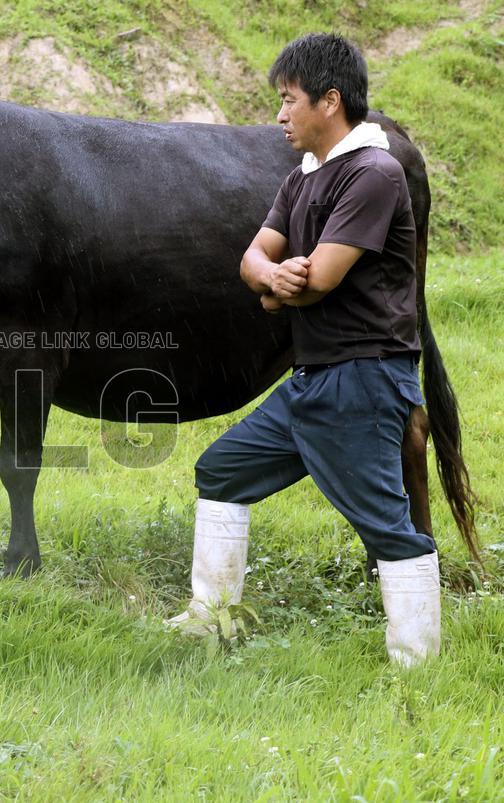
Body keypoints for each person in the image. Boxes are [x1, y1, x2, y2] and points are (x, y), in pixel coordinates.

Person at [167, 33, 440, 667]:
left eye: (289, 101)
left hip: (365, 376)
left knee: (386, 525)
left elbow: (317, 281)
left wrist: (279, 287)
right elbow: (254, 259)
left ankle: (417, 661)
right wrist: (271, 280)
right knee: (222, 470)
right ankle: (212, 619)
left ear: (330, 101)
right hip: (311, 377)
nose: (280, 115)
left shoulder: (373, 172)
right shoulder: (304, 178)